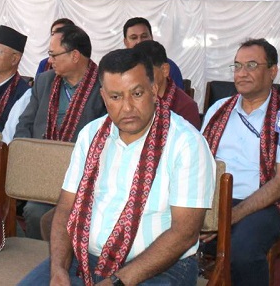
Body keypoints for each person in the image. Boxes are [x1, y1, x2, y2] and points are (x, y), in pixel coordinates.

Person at [20, 48, 215, 286]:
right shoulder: (91, 134)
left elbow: (184, 234)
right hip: (84, 258)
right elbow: (65, 209)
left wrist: (118, 281)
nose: (127, 108)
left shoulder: (186, 142)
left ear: (153, 91)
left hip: (163, 267)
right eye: (116, 97)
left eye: (137, 93)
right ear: (103, 96)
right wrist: (58, 269)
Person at [200, 39, 280, 286]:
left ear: (272, 71)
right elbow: (199, 163)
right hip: (214, 201)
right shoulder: (218, 109)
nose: (242, 73)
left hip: (265, 205)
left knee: (242, 252)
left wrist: (227, 218)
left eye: (251, 65)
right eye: (237, 66)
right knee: (165, 236)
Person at [14, 24, 106, 239]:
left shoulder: (103, 85)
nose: (49, 61)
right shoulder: (44, 81)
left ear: (75, 55)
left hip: (85, 176)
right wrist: (30, 154)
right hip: (41, 169)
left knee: (46, 213)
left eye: (54, 55)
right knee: (33, 210)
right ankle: (40, 261)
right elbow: (24, 124)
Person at [133, 40, 201, 128]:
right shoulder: (130, 100)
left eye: (147, 73)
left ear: (165, 70)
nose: (140, 79)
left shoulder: (186, 107)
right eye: (135, 73)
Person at [122, 17, 184, 90]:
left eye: (144, 36)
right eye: (134, 37)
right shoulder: (119, 68)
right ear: (126, 42)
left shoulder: (167, 66)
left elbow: (179, 98)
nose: (139, 41)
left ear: (151, 37)